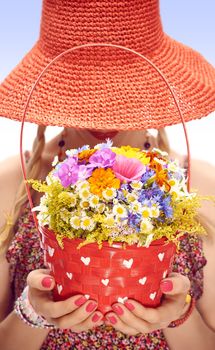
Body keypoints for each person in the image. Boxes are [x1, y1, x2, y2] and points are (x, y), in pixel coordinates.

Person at [0, 0, 215, 349]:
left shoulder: (198, 185)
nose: (104, 121)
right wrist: (33, 310)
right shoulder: (12, 183)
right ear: (51, 93)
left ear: (153, 89)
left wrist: (177, 315)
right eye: (83, 96)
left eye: (122, 96)